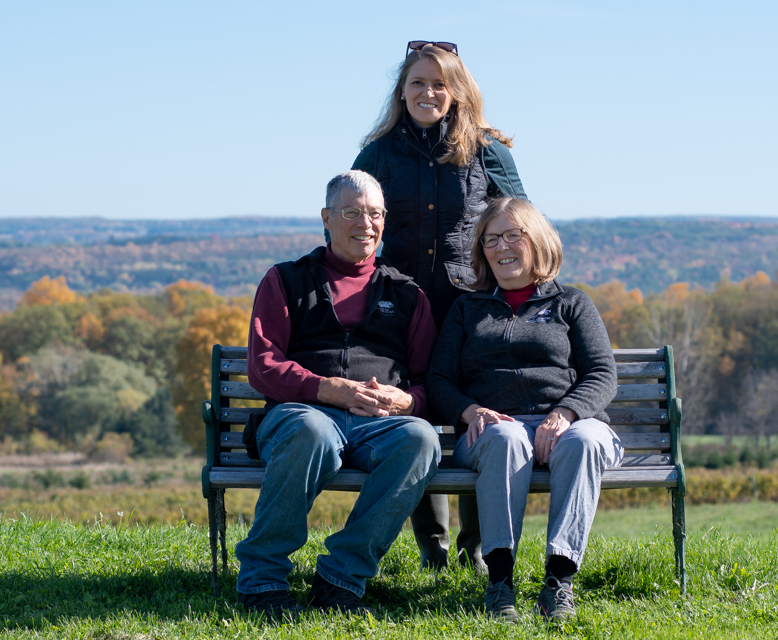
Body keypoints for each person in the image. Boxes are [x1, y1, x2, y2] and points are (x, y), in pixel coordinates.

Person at [352, 40, 527, 571]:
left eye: (438, 84)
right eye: (417, 84)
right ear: (401, 93)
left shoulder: (488, 152)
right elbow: (356, 222)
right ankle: (433, 544)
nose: (427, 92)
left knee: (480, 408)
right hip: (398, 305)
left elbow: (521, 224)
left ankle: (478, 545)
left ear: (457, 92)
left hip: (472, 304)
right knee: (413, 408)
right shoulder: (377, 153)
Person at [235, 170, 441, 619]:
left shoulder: (408, 294)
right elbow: (262, 366)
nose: (364, 223)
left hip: (379, 425)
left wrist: (409, 402)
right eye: (351, 212)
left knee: (421, 440)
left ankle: (341, 577)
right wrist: (328, 389)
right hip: (300, 415)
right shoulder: (286, 281)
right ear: (326, 218)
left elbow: (430, 382)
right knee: (313, 431)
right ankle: (263, 578)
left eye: (374, 214)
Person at [426, 197, 624, 622]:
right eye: (491, 239)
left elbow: (603, 373)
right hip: (492, 430)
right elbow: (438, 380)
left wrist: (567, 413)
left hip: (567, 424)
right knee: (506, 436)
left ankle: (558, 583)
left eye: (513, 235)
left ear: (536, 240)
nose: (501, 247)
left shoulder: (571, 302)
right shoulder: (467, 309)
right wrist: (470, 411)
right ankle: (500, 584)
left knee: (587, 440)